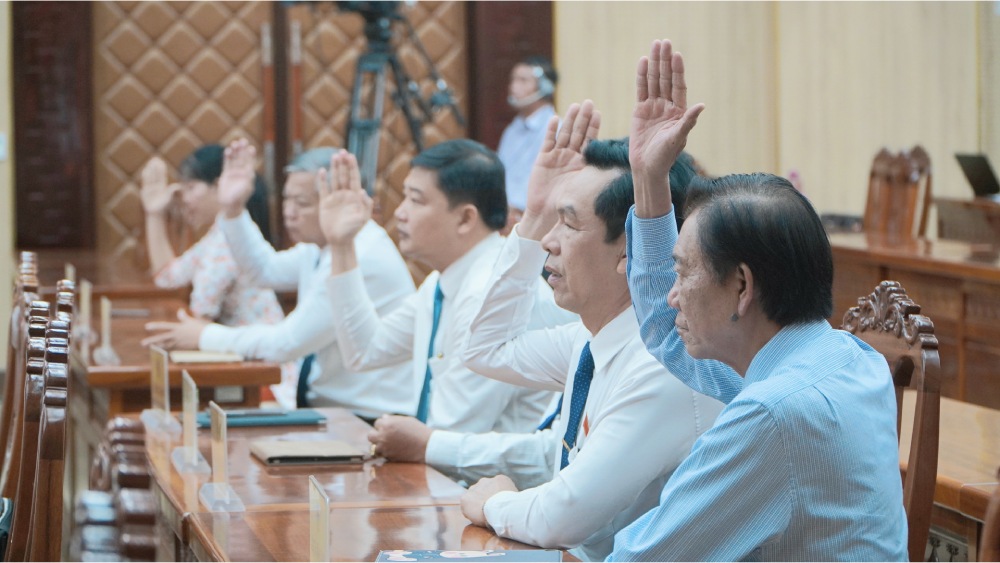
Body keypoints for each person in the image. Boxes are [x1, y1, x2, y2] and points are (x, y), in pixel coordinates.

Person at [364, 101, 722, 560]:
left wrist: (492, 500)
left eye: (567, 224)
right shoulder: (592, 338)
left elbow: (563, 515)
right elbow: (482, 349)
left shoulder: (662, 363)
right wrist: (533, 215)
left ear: (629, 254)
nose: (547, 243)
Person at [609, 39, 908, 561]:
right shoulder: (842, 358)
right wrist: (648, 178)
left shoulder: (773, 415)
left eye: (682, 273)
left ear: (742, 288)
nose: (672, 296)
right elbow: (664, 326)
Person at [142, 141, 416, 418]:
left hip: (368, 418)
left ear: (340, 199)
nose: (290, 212)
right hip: (332, 411)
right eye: (287, 199)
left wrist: (204, 335)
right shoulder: (318, 247)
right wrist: (233, 209)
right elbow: (265, 270)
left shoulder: (360, 254)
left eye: (303, 203)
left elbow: (286, 343)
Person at [318, 140, 571, 434]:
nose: (400, 212)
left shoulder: (489, 293)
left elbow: (454, 432)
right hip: (443, 468)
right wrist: (341, 245)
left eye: (416, 200)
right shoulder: (443, 281)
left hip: (495, 478)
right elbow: (366, 350)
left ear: (465, 218)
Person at [140, 145, 283, 327]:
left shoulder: (227, 242)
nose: (184, 198)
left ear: (218, 187)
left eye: (190, 188)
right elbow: (167, 277)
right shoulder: (218, 235)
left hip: (259, 353)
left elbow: (200, 318)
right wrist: (154, 214)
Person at [498, 55, 559, 228]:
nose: (514, 86)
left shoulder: (555, 128)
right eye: (513, 79)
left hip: (535, 223)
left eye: (523, 80)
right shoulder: (511, 130)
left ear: (545, 87)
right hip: (505, 218)